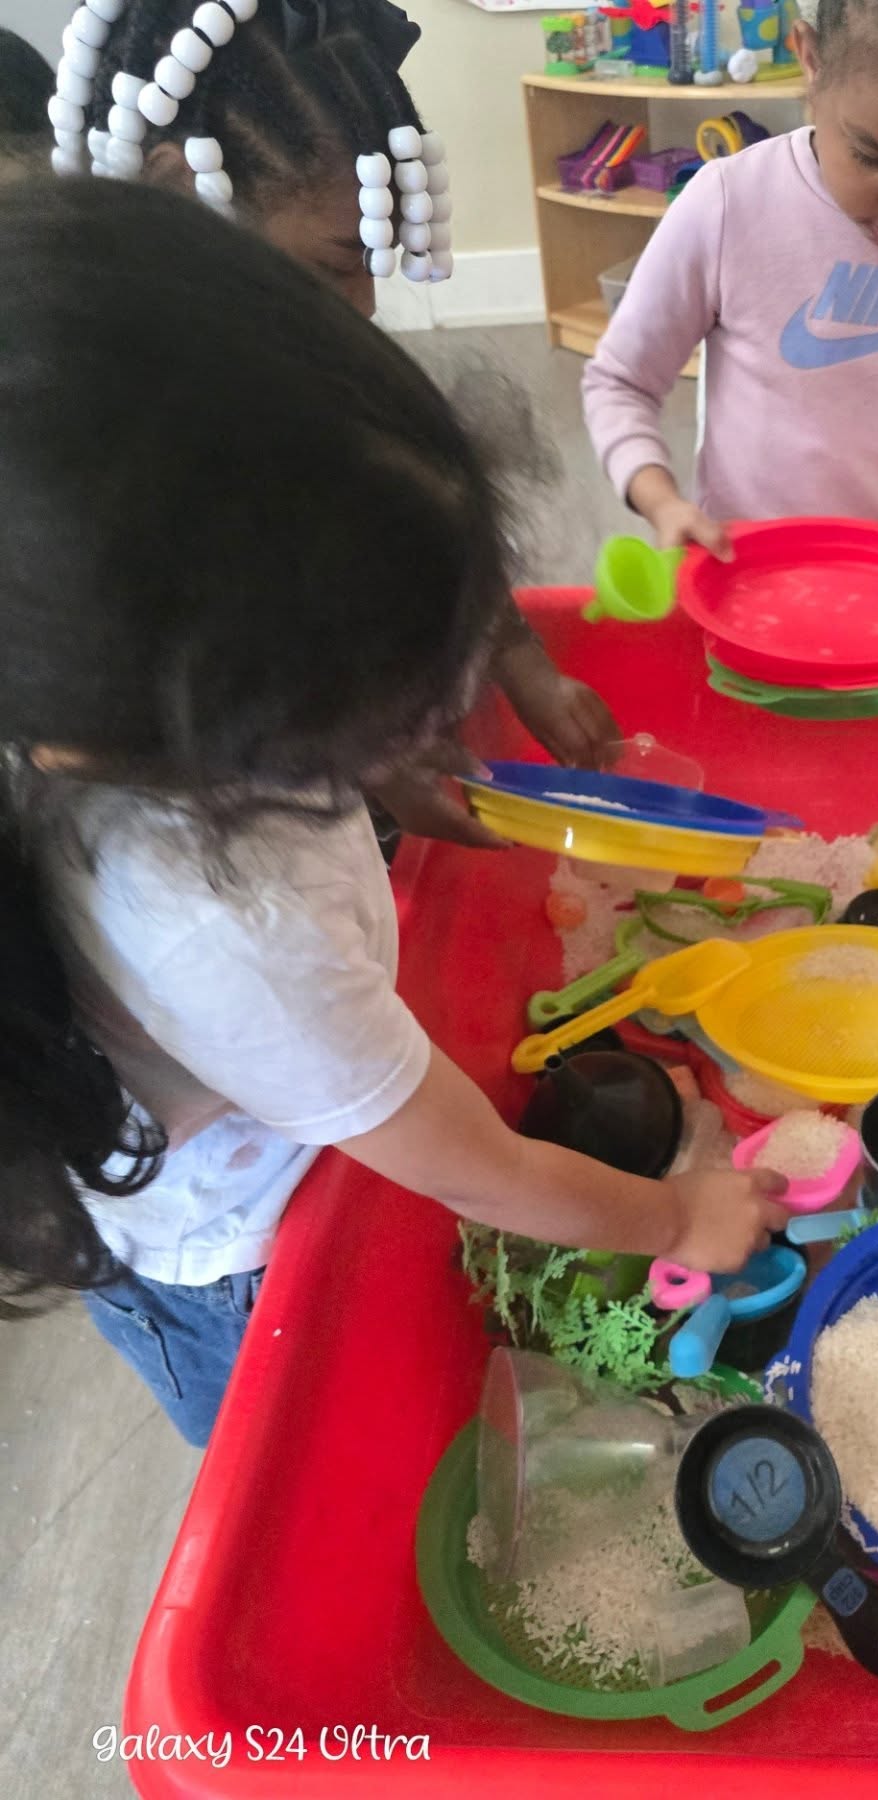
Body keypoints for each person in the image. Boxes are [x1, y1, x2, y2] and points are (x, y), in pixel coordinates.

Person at [0, 176, 786, 1444]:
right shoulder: (224, 927)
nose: (429, 720)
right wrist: (676, 1214)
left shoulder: (131, 718)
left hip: (289, 1092)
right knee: (294, 1429)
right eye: (374, 708)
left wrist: (373, 771)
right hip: (238, 1259)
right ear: (234, 728)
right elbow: (484, 1169)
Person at [44, 0, 615, 842]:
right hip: (216, 843)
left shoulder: (297, 361)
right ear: (178, 192)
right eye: (337, 266)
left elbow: (413, 505)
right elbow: (84, 741)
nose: (367, 306)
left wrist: (521, 659)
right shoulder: (83, 445)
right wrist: (340, 757)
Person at [582, 0, 878, 575]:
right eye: (872, 156)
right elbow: (621, 382)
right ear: (812, 61)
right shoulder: (730, 203)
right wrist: (661, 501)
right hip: (745, 582)